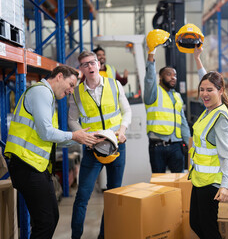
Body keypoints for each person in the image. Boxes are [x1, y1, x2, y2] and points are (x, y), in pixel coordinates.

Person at [4, 65, 101, 239]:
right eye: (71, 85)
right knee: (45, 222)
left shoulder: (47, 97)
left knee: (50, 218)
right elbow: (46, 132)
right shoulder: (41, 92)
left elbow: (50, 138)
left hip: (36, 166)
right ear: (59, 76)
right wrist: (75, 136)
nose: (71, 91)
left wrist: (85, 139)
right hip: (27, 166)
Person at [68, 51, 132, 239]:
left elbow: (126, 111)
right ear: (81, 69)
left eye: (92, 62)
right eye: (85, 64)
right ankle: (75, 237)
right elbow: (72, 120)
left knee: (113, 197)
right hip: (92, 150)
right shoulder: (77, 93)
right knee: (82, 197)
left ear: (98, 64)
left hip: (116, 147)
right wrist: (84, 136)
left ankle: (104, 236)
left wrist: (122, 130)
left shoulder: (114, 85)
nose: (90, 67)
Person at [189, 70, 228, 239]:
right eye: (202, 89)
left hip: (211, 184)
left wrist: (225, 185)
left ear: (220, 90)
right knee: (195, 223)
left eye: (209, 90)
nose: (204, 94)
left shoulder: (220, 118)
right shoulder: (209, 111)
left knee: (208, 230)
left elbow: (227, 156)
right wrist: (197, 58)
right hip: (200, 180)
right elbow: (208, 78)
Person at [144, 39, 191, 173]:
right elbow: (149, 79)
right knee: (159, 184)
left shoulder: (177, 96)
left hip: (176, 146)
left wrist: (190, 145)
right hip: (158, 146)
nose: (173, 77)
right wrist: (151, 54)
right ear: (160, 77)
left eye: (175, 75)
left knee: (179, 182)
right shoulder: (153, 93)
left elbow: (183, 123)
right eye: (169, 74)